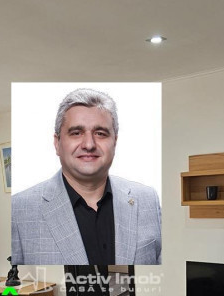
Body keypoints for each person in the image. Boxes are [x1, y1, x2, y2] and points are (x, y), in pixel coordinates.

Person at [10, 88, 161, 265]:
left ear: (115, 142)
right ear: (57, 143)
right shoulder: (19, 210)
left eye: (100, 133)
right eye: (76, 133)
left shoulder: (147, 199)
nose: (89, 144)